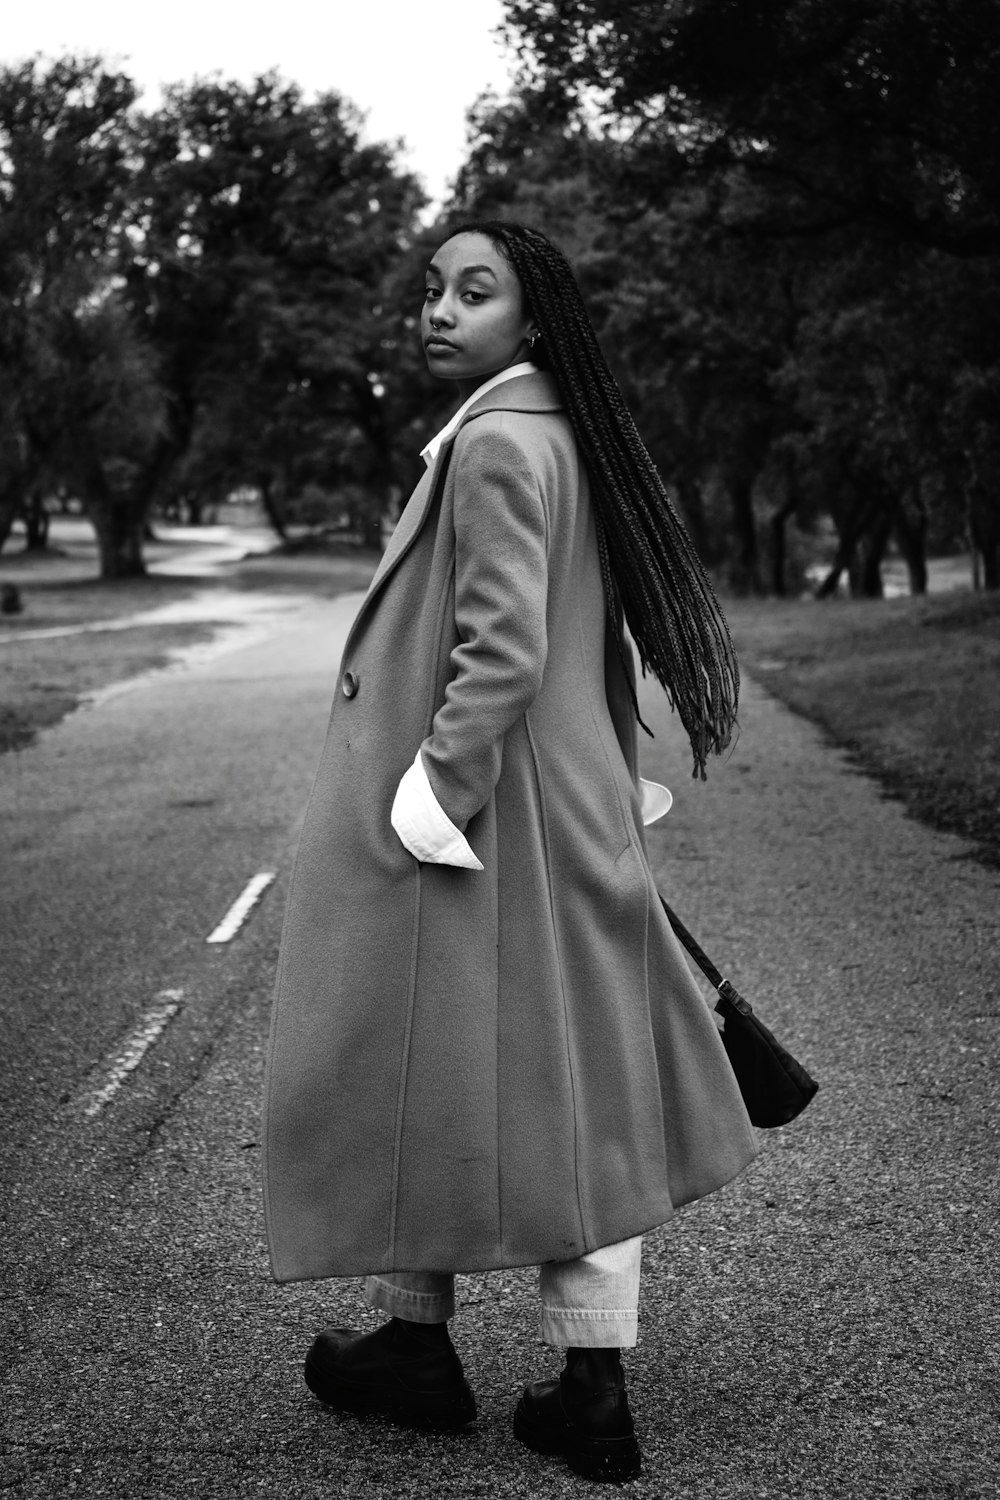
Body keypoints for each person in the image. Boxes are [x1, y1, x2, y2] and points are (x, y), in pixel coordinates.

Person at [262, 220, 758, 1485]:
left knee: (458, 1065)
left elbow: (502, 651)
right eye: (432, 289)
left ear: (530, 321)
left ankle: (510, 1370)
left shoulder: (494, 444)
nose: (439, 308)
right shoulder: (553, 432)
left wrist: (434, 793)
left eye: (473, 292)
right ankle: (494, 1363)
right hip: (556, 808)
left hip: (490, 823)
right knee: (536, 1080)